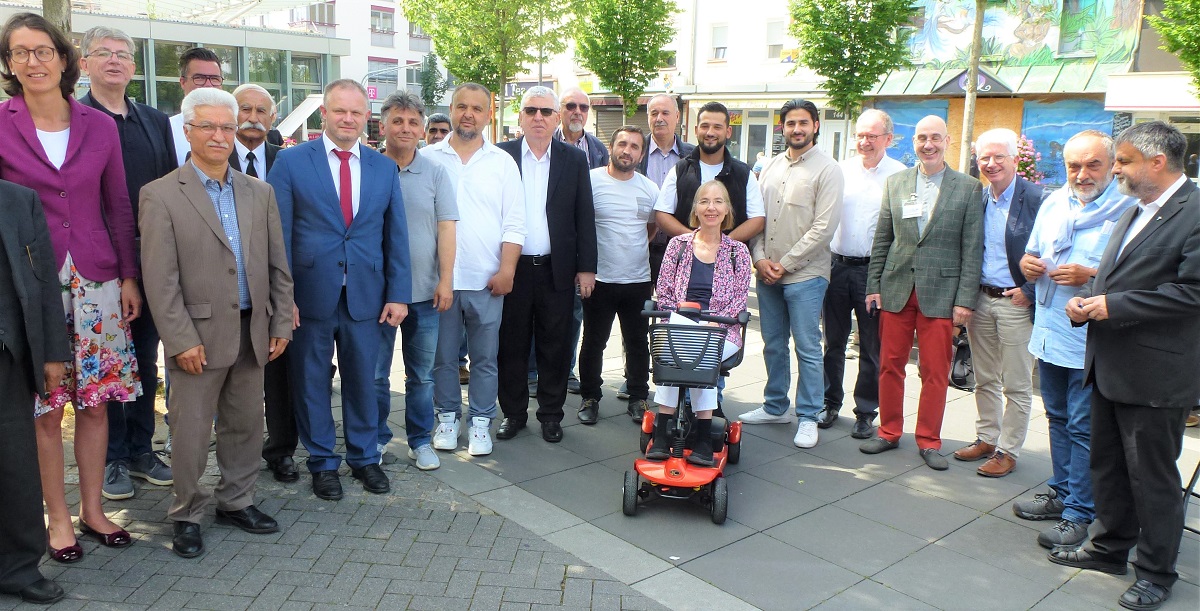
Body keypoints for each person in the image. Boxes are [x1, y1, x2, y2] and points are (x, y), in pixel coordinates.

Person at [0, 12, 142, 561]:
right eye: (20, 53)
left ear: (63, 59)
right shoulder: (2, 122)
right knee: (43, 406)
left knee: (96, 403)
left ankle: (93, 510)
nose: (32, 61)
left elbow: (118, 206)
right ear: (10, 64)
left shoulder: (99, 126)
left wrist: (129, 274)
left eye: (42, 51)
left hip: (98, 282)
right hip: (29, 286)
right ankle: (55, 519)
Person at [1051, 121, 1200, 611]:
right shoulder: (1137, 209)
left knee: (1152, 479)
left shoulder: (1193, 211)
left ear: (1157, 162)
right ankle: (1109, 549)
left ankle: (1157, 572)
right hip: (1110, 365)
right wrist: (1089, 301)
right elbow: (1117, 276)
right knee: (1108, 466)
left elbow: (1193, 292)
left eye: (1123, 160)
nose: (1115, 169)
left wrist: (1114, 306)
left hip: (1156, 377)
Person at [140, 87, 295, 558]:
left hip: (253, 330)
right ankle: (186, 512)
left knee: (246, 424)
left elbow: (276, 265)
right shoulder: (161, 194)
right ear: (187, 131)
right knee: (189, 430)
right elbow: (159, 279)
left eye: (226, 126)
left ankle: (236, 500)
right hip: (197, 337)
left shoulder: (259, 191)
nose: (219, 135)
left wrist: (281, 322)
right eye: (207, 126)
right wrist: (180, 338)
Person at [267, 79, 411, 500]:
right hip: (309, 297)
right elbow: (276, 236)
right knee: (311, 381)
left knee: (365, 379)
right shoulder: (292, 164)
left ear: (367, 118)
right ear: (324, 114)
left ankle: (365, 458)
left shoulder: (383, 167)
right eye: (339, 111)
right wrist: (283, 298)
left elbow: (395, 236)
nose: (348, 119)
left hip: (367, 295)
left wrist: (398, 293)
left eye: (356, 112)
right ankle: (322, 462)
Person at [1012, 130, 1135, 549]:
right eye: (1073, 166)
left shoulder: (1128, 209)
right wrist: (1028, 266)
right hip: (1049, 331)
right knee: (1059, 419)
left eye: (1092, 165)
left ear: (1111, 163)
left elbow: (1138, 281)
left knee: (1085, 427)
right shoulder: (1053, 203)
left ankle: (1081, 512)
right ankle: (1062, 492)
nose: (1082, 174)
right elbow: (1031, 252)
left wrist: (1090, 276)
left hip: (1091, 341)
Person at [77, 25, 176, 501]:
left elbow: (171, 192)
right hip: (97, 263)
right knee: (107, 363)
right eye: (104, 53)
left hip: (150, 259)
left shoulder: (154, 121)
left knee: (144, 357)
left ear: (134, 67)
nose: (114, 61)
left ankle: (141, 449)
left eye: (123, 54)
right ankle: (112, 457)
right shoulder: (76, 120)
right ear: (84, 64)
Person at [859, 115, 983, 471]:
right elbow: (883, 239)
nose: (928, 145)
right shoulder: (896, 183)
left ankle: (929, 440)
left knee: (934, 370)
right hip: (897, 288)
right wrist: (874, 287)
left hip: (941, 294)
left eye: (935, 138)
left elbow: (972, 248)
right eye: (921, 138)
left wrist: (964, 300)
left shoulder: (968, 187)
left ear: (947, 141)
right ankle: (888, 431)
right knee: (889, 365)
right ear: (912, 141)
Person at [425, 83, 524, 455]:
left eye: (477, 108)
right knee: (443, 359)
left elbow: (515, 222)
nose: (469, 114)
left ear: (489, 115)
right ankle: (447, 417)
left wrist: (507, 270)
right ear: (450, 109)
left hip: (486, 280)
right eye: (462, 106)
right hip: (440, 282)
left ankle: (481, 421)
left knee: (485, 359)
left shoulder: (501, 163)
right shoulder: (428, 158)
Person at [739, 99, 842, 449]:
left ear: (815, 125)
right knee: (773, 343)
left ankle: (809, 415)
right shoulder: (768, 167)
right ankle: (775, 406)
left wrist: (786, 264)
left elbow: (823, 228)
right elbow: (756, 218)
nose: (796, 129)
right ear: (782, 127)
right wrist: (760, 259)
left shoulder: (828, 170)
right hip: (768, 271)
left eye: (803, 122)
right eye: (790, 123)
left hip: (806, 275)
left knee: (808, 348)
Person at [495, 86, 596, 442]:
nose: (539, 117)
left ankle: (551, 415)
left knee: (555, 344)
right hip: (512, 268)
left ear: (557, 118)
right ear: (519, 116)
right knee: (512, 344)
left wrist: (587, 267)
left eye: (546, 112)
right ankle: (513, 413)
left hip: (557, 269)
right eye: (531, 110)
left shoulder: (573, 159)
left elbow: (584, 215)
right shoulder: (500, 156)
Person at [952, 128, 1043, 478]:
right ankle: (987, 438)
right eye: (984, 158)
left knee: (1017, 382)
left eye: (998, 157)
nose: (990, 164)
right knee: (985, 377)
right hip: (981, 298)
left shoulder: (1036, 199)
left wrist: (1029, 291)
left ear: (1015, 160)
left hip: (1015, 302)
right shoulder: (979, 198)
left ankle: (1008, 449)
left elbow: (1054, 252)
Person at [376, 91, 457, 470]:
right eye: (398, 121)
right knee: (375, 375)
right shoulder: (368, 168)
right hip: (377, 294)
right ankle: (374, 439)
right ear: (383, 126)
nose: (405, 128)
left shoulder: (436, 173)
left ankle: (420, 440)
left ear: (423, 129)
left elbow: (446, 229)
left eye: (413, 122)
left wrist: (446, 280)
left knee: (421, 376)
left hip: (425, 293)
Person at [645, 180, 752, 466]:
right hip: (679, 322)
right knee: (678, 345)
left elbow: (739, 301)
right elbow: (664, 291)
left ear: (727, 209)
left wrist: (711, 327)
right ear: (696, 209)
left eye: (718, 201)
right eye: (704, 201)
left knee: (702, 350)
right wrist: (680, 321)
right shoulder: (677, 246)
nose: (711, 207)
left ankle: (703, 435)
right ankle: (665, 431)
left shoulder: (737, 252)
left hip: (721, 328)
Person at [0, 179, 70, 604]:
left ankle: (19, 567)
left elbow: (45, 284)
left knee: (15, 466)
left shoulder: (18, 200)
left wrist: (52, 354)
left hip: (7, 353)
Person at [819, 109, 906, 440]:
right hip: (837, 267)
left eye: (872, 135)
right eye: (860, 135)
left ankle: (866, 411)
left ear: (887, 138)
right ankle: (829, 403)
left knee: (872, 345)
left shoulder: (899, 176)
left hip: (875, 272)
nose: (865, 141)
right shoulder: (839, 171)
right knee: (833, 342)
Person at [227, 83, 297, 482]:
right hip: (229, 287)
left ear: (272, 118)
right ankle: (236, 454)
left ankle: (281, 449)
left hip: (278, 285)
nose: (253, 118)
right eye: (244, 109)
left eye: (261, 111)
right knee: (234, 374)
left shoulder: (287, 161)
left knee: (281, 372)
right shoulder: (210, 158)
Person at [578, 126, 658, 424]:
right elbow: (580, 227)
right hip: (599, 280)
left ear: (640, 153)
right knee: (593, 341)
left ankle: (638, 397)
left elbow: (652, 228)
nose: (628, 150)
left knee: (637, 341)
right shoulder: (590, 181)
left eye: (635, 146)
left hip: (637, 280)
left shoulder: (649, 188)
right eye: (622, 144)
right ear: (611, 147)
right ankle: (590, 396)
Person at [639, 93, 696, 284]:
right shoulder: (635, 152)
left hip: (681, 249)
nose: (659, 118)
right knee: (640, 310)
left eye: (665, 112)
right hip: (641, 248)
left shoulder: (693, 155)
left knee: (676, 310)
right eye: (654, 113)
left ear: (677, 117)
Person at [169, 47, 223, 167]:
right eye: (200, 78)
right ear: (183, 82)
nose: (208, 85)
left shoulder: (234, 130)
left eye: (214, 79)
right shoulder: (167, 130)